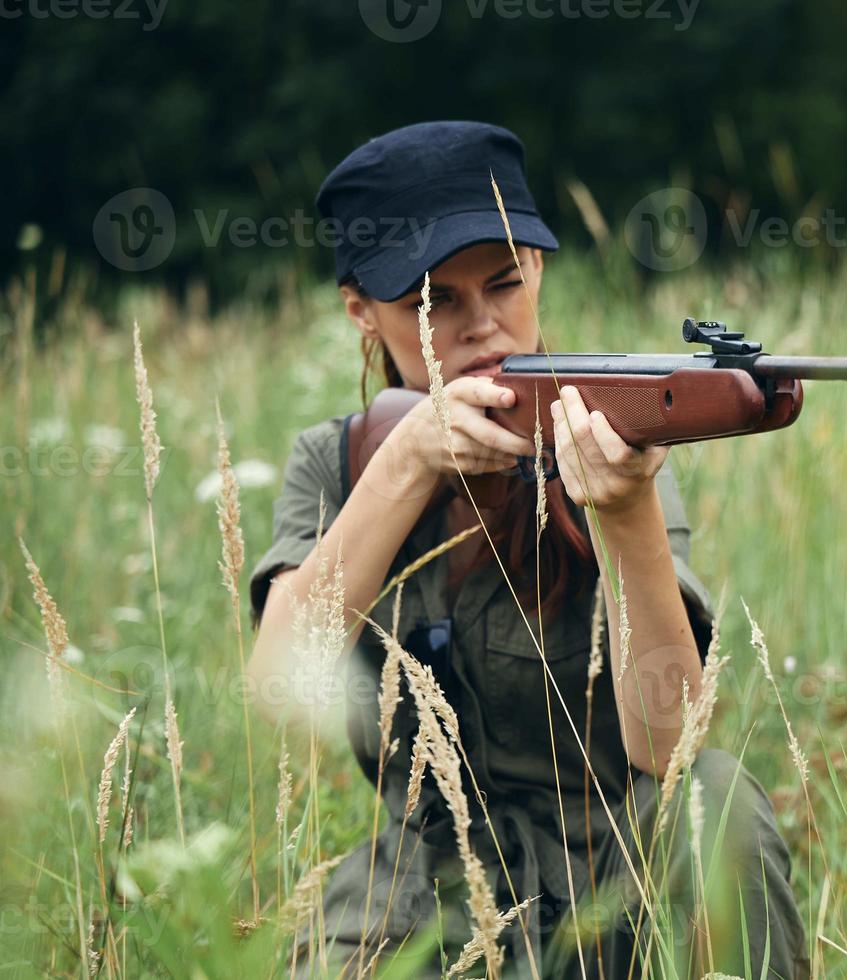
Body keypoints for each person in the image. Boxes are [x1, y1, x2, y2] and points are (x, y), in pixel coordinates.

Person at [246, 121, 809, 979]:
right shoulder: (341, 462)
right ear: (361, 309)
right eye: (434, 304)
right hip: (423, 892)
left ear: (539, 268)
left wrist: (624, 515)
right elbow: (280, 687)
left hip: (615, 876)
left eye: (506, 282)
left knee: (717, 801)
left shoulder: (614, 431)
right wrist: (406, 467)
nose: (484, 328)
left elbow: (671, 743)